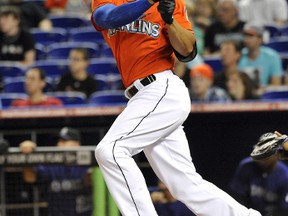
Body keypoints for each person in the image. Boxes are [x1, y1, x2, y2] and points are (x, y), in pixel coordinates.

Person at [91, 0, 261, 215]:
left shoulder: (172, 3)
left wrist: (170, 20)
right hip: (142, 95)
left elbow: (187, 51)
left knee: (110, 151)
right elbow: (105, 18)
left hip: (161, 88)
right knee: (184, 185)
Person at [19, 127, 93, 216]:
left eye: (65, 141)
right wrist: (27, 157)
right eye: (59, 141)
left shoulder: (87, 162)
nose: (59, 144)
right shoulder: (52, 164)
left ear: (77, 143)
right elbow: (30, 178)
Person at [229, 133, 288, 216]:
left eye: (266, 153)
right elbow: (236, 197)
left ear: (277, 155)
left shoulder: (285, 176)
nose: (261, 156)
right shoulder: (246, 166)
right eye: (259, 150)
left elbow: (284, 210)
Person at [238, 22, 283, 96]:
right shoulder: (238, 56)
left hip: (265, 97)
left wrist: (263, 89)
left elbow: (276, 85)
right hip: (242, 97)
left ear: (260, 39)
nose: (246, 39)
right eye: (245, 35)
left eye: (250, 36)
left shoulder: (272, 57)